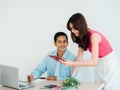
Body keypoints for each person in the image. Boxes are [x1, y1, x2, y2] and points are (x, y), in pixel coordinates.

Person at [59, 13, 120, 90]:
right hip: (100, 62)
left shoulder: (93, 36)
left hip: (109, 63)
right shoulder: (82, 37)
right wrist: (72, 77)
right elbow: (79, 58)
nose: (73, 31)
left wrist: (71, 63)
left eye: (74, 28)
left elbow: (93, 62)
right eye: (71, 29)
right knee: (99, 87)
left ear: (81, 26)